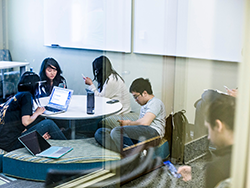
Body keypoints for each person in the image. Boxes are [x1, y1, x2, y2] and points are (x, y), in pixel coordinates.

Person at [178, 92, 235, 188]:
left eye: (209, 129)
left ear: (218, 126)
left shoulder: (216, 168)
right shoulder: (242, 155)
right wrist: (197, 174)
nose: (209, 137)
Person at [94, 78, 166, 153]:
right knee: (100, 132)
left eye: (136, 96)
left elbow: (145, 123)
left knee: (116, 131)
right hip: (142, 134)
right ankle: (132, 151)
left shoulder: (155, 102)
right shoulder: (144, 105)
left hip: (153, 134)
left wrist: (128, 123)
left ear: (144, 93)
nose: (135, 100)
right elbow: (140, 126)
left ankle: (133, 156)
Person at [0, 71, 66, 152]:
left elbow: (18, 125)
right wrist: (37, 112)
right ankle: (67, 146)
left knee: (40, 121)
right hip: (11, 144)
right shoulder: (26, 96)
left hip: (4, 142)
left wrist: (38, 135)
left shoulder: (16, 96)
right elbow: (26, 122)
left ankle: (63, 134)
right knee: (48, 123)